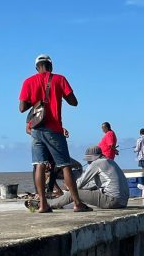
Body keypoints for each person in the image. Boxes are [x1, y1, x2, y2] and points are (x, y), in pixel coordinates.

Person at [19, 54, 91, 213]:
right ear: (51, 66)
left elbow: (22, 108)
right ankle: (77, 203)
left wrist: (35, 98)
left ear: (37, 67)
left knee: (39, 165)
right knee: (65, 165)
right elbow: (74, 102)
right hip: (54, 129)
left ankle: (43, 204)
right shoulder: (59, 79)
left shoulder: (28, 81)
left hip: (36, 129)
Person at [41, 146, 129, 210]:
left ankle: (48, 203)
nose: (87, 162)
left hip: (112, 200)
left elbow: (80, 184)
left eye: (88, 159)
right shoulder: (110, 162)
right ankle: (55, 202)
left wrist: (69, 187)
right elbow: (93, 184)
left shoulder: (96, 163)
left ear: (92, 158)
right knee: (83, 191)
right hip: (123, 202)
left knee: (74, 193)